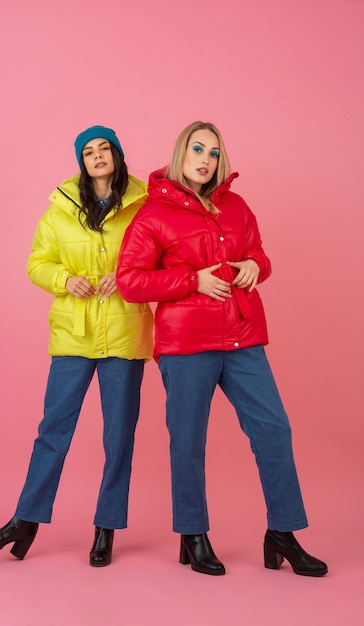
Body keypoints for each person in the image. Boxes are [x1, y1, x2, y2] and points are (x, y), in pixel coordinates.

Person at [116, 121, 327, 577]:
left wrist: (255, 264)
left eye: (213, 152)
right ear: (181, 153)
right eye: (198, 149)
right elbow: (130, 282)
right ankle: (193, 534)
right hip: (187, 341)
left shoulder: (236, 206)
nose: (206, 159)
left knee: (273, 430)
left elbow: (260, 255)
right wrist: (192, 280)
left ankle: (283, 533)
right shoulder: (153, 214)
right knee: (188, 441)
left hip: (243, 336)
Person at [0, 125, 153, 566]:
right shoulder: (60, 207)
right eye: (88, 151)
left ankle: (105, 527)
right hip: (72, 334)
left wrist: (131, 275)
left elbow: (161, 256)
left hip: (124, 333)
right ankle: (25, 521)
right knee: (53, 431)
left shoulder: (145, 205)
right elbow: (38, 262)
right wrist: (63, 279)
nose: (97, 156)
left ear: (116, 154)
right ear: (81, 160)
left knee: (118, 436)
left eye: (104, 149)